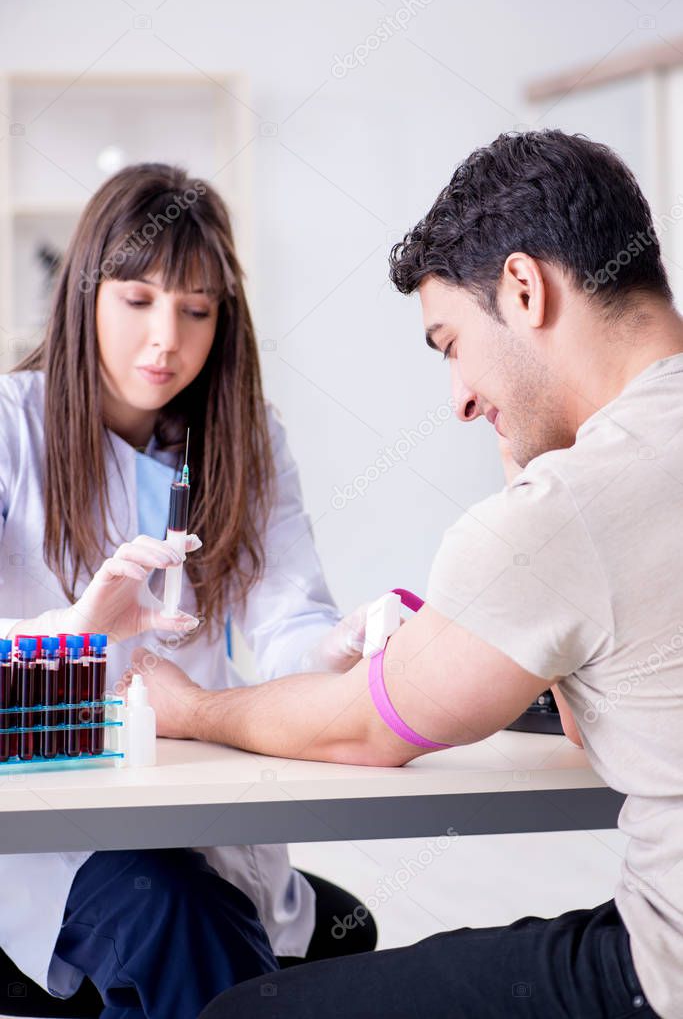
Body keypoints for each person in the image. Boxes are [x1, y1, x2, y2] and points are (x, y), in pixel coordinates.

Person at [140, 131, 683, 1019]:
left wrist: (187, 705)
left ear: (522, 287)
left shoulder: (569, 508)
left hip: (660, 977)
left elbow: (364, 729)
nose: (462, 396)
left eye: (449, 343)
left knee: (245, 1013)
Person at [0, 163, 376, 1019]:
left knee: (227, 915)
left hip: (193, 800)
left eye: (196, 310)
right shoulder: (11, 425)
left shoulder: (246, 438)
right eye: (137, 300)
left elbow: (288, 611)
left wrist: (333, 649)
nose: (165, 339)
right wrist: (72, 631)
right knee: (179, 917)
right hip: (47, 832)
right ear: (84, 292)